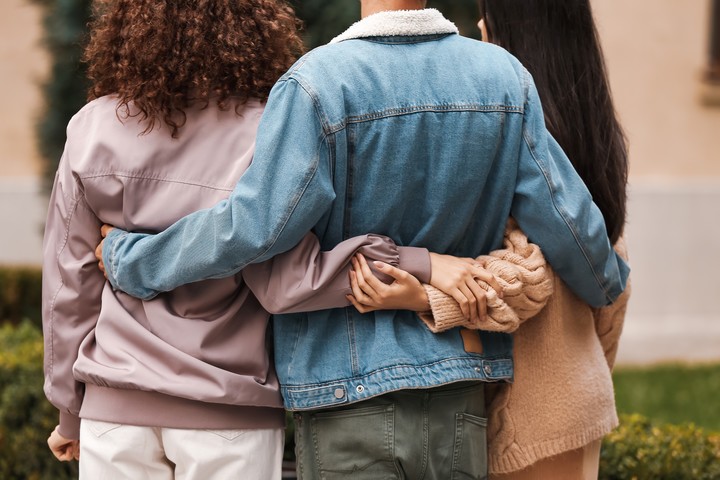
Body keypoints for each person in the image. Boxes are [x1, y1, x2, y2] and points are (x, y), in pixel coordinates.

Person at [97, 0, 630, 477]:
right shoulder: (505, 79)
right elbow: (571, 221)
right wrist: (607, 283)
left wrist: (132, 259)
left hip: (344, 395)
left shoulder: (316, 84)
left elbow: (252, 227)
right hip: (459, 389)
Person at [41, 0, 483, 478]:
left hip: (113, 412)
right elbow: (288, 284)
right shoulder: (269, 129)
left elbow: (68, 288)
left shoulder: (92, 126)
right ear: (252, 28)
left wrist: (69, 411)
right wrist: (418, 262)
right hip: (227, 410)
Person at [349, 1, 632, 478]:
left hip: (537, 414)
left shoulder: (519, 139)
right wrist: (589, 369)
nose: (478, 26)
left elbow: (528, 273)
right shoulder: (586, 135)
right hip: (574, 399)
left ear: (522, 35)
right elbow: (611, 291)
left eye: (490, 16)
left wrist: (428, 294)